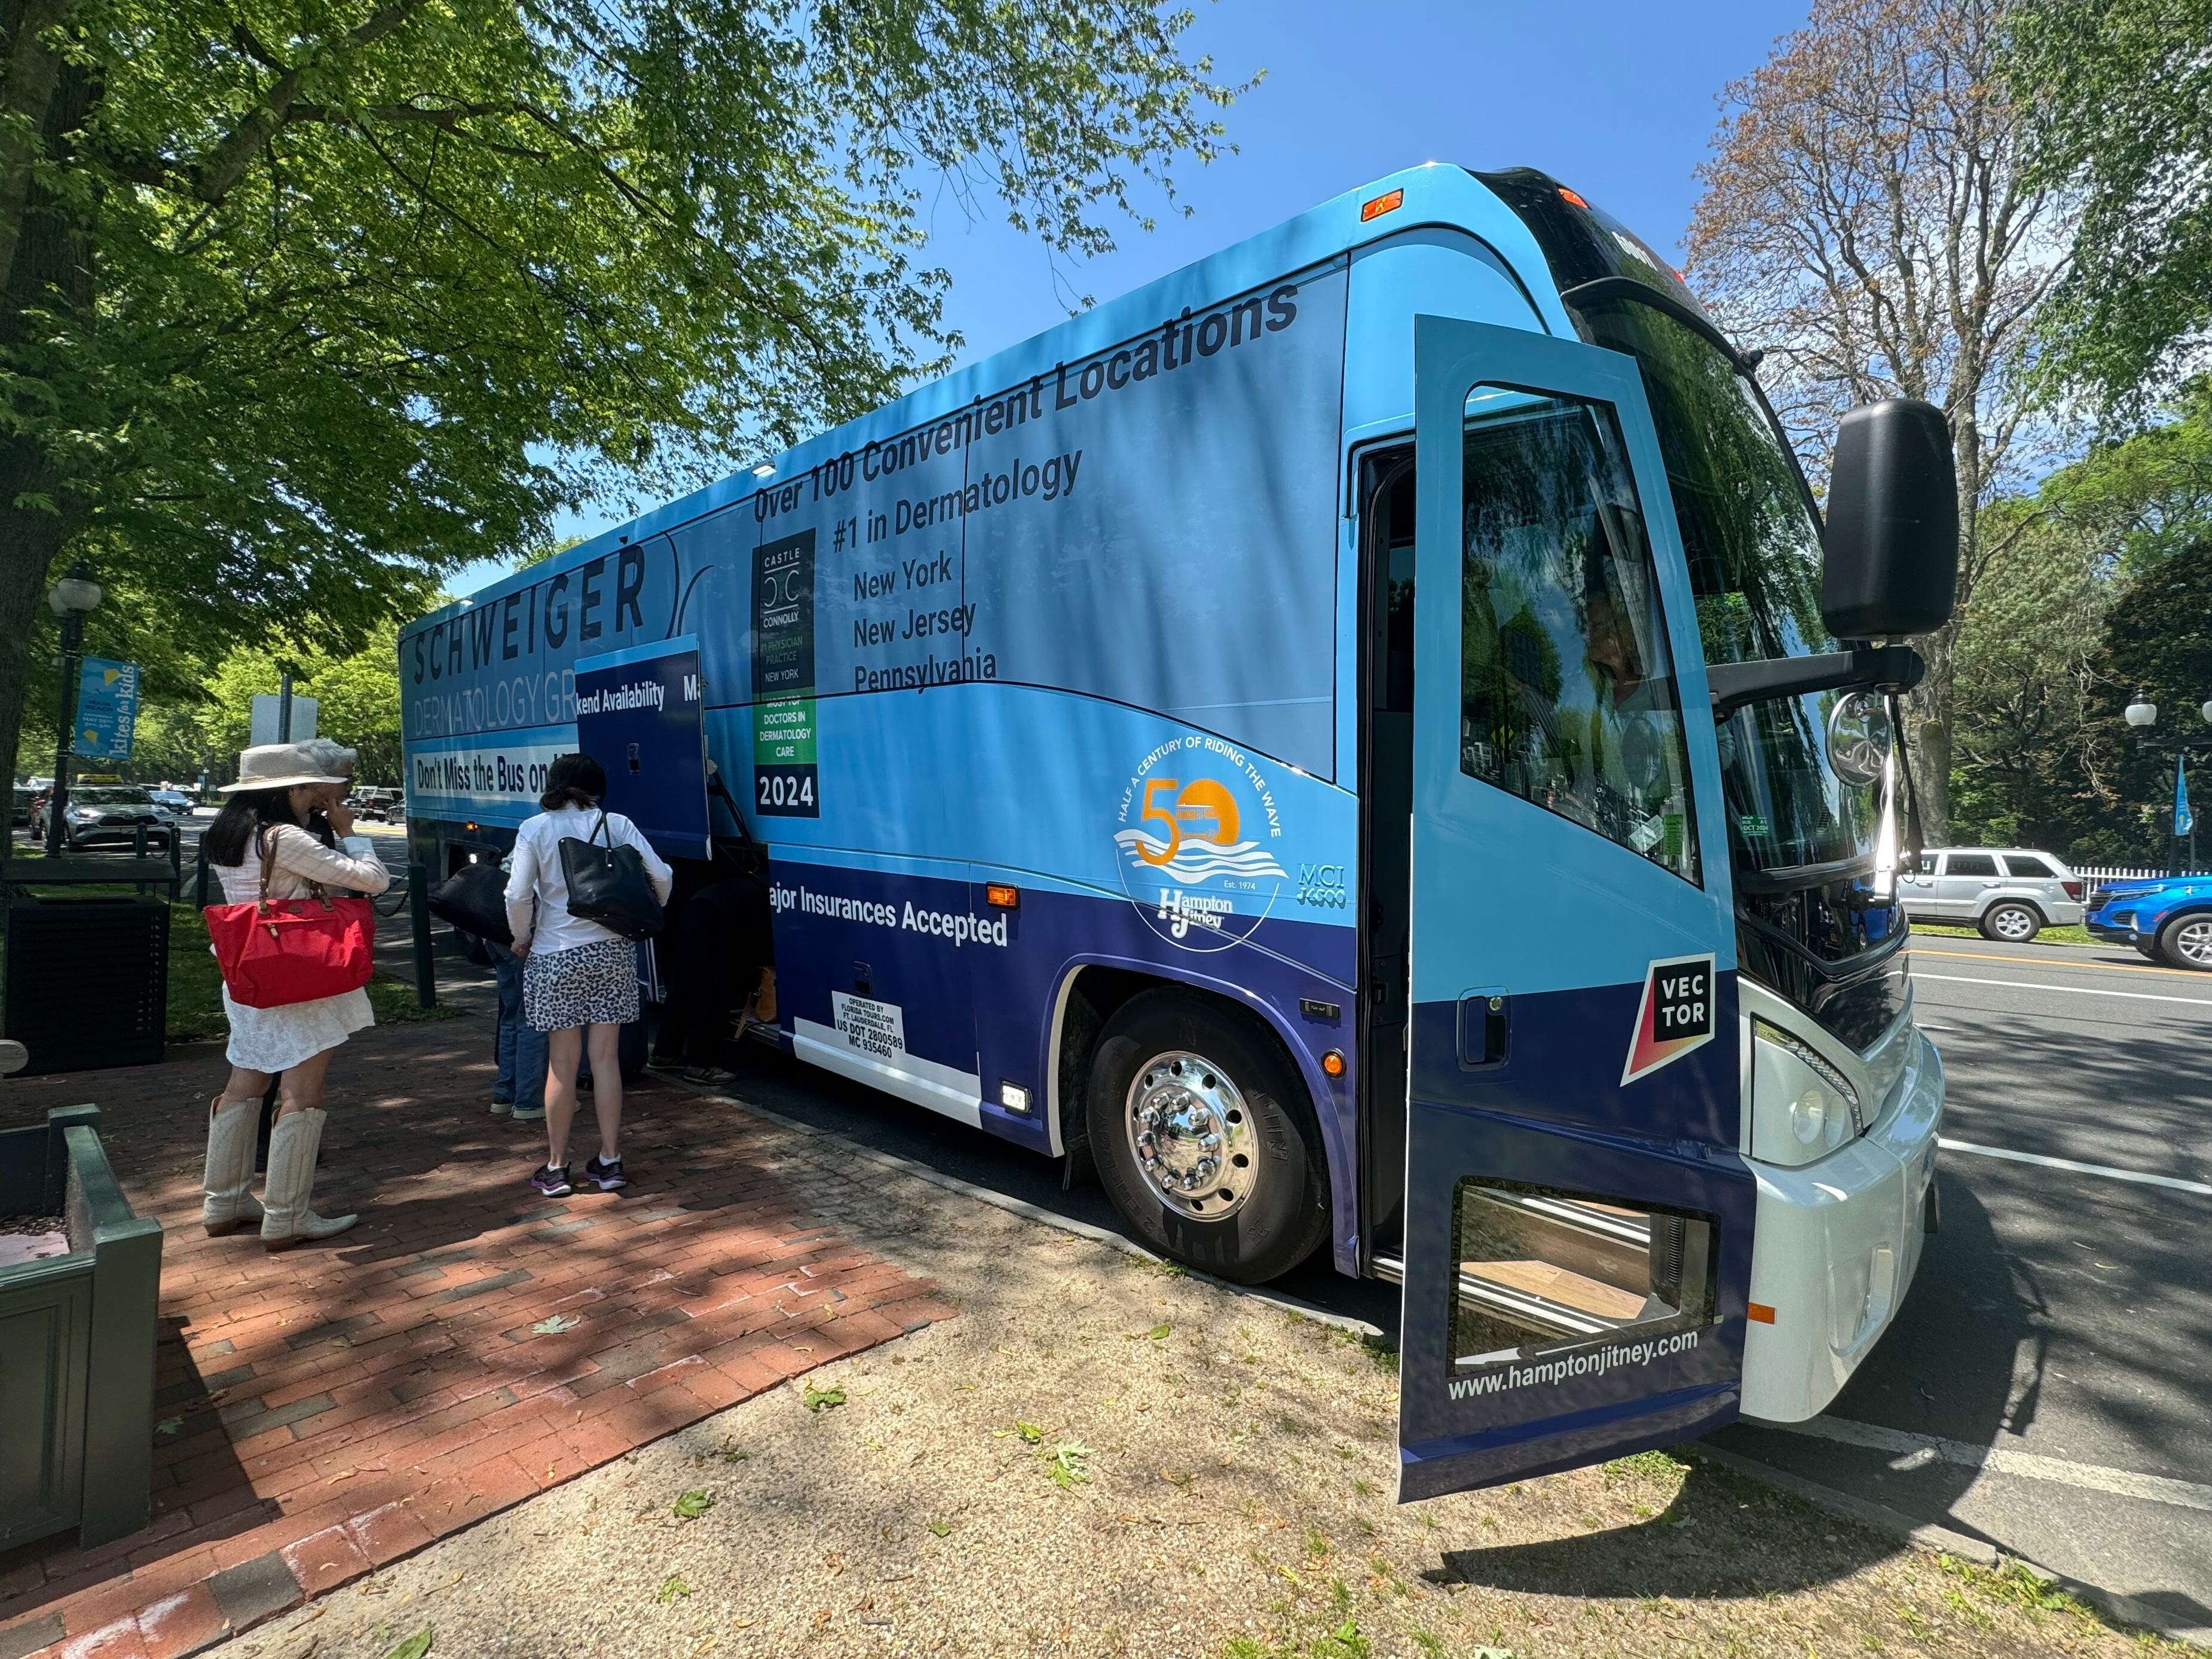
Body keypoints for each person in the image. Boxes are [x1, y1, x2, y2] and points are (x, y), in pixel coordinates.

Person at [198, 742, 392, 1249]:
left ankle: (224, 1199)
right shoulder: (283, 836)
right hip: (299, 975)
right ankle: (286, 1213)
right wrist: (350, 831)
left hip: (249, 972)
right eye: (311, 787)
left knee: (246, 1081)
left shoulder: (230, 834)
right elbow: (372, 881)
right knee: (301, 1093)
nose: (319, 795)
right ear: (290, 789)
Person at [503, 754, 672, 1196]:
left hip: (555, 954)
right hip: (612, 953)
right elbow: (662, 876)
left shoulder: (534, 829)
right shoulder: (618, 824)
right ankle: (610, 1161)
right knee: (606, 1060)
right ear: (599, 787)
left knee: (561, 1065)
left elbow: (517, 894)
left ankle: (557, 1168)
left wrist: (521, 937)